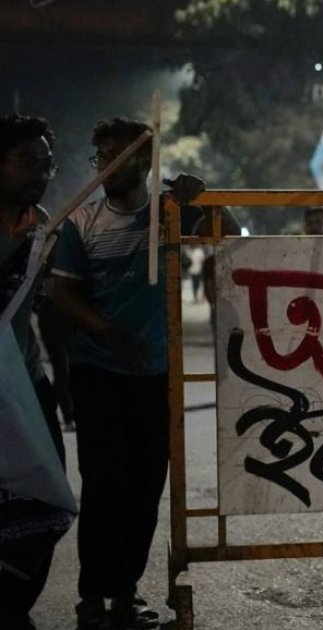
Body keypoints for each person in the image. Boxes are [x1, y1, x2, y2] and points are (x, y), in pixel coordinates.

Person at [50, 117, 206, 630]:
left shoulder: (167, 213)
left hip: (156, 375)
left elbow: (223, 230)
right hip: (98, 372)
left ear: (145, 160)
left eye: (118, 155)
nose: (107, 166)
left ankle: (125, 593)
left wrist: (201, 197)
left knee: (144, 488)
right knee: (103, 486)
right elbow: (63, 293)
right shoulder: (81, 222)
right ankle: (92, 598)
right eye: (101, 157)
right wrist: (110, 332)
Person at [0, 113, 72, 630]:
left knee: (45, 499)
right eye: (27, 162)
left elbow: (46, 311)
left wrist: (63, 384)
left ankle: (16, 604)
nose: (40, 174)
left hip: (27, 386)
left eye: (47, 165)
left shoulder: (43, 225)